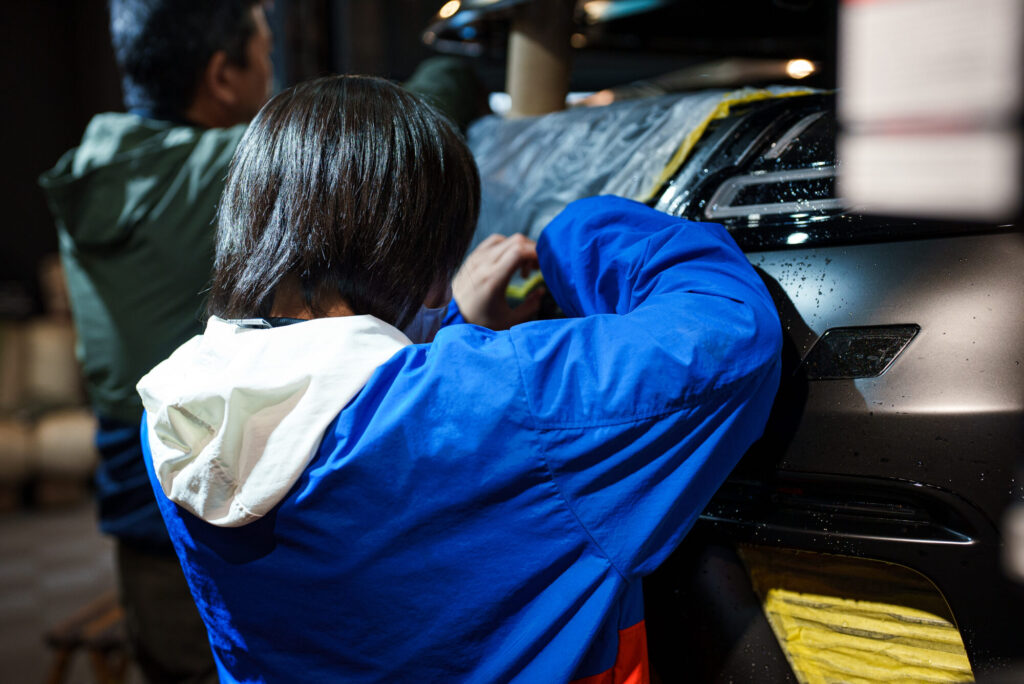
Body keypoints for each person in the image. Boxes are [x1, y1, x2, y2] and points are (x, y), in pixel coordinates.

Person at [137, 76, 782, 683]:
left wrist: (449, 324)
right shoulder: (514, 402)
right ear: (430, 275)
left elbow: (339, 398)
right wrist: (574, 229)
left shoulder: (178, 413)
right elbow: (729, 328)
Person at [38, 2, 483, 680]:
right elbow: (383, 151)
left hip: (144, 494)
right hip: (236, 507)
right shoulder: (235, 169)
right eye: (265, 52)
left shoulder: (94, 171)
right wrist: (458, 60)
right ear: (223, 75)